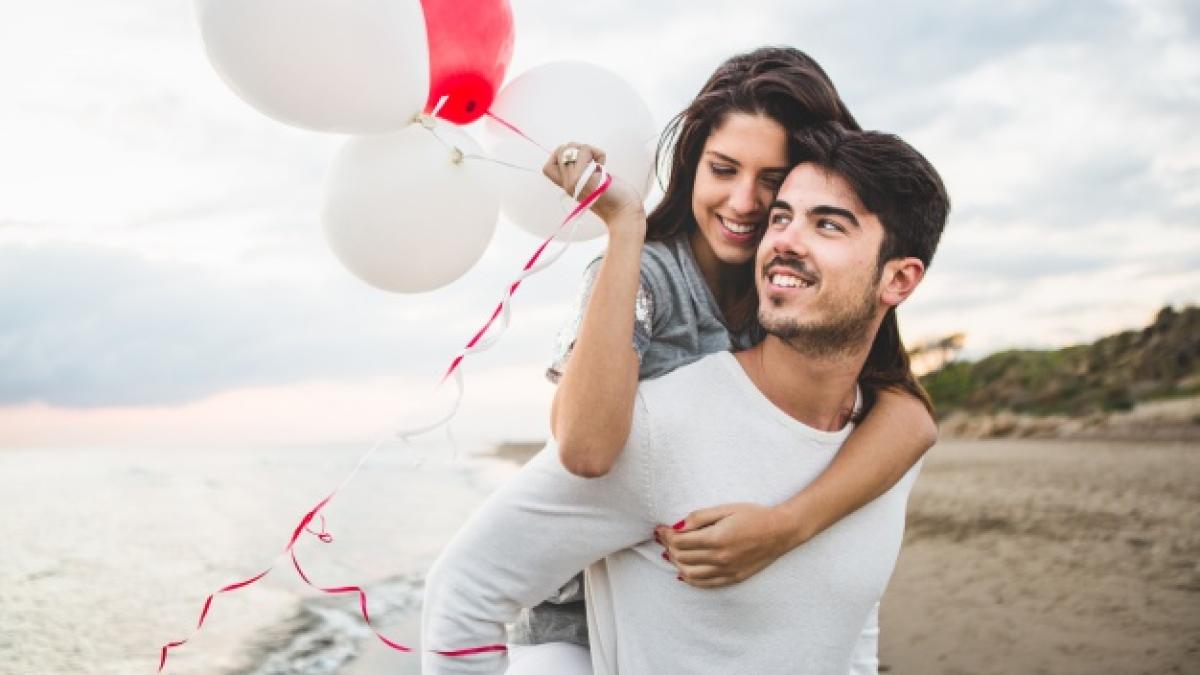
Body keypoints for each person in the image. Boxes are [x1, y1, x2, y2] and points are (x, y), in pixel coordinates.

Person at [421, 123, 951, 674]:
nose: (786, 240)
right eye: (782, 217)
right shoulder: (660, 426)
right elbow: (464, 590)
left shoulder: (884, 440)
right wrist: (624, 224)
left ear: (900, 280)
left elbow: (852, 622)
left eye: (828, 225)